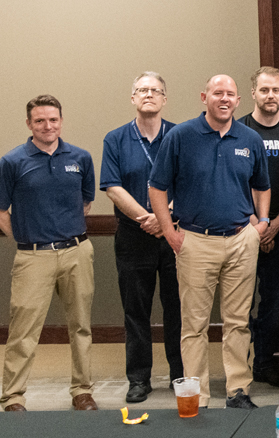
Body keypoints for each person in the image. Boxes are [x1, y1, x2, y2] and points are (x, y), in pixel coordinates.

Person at [148, 75, 269, 409]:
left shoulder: (250, 139)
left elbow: (262, 185)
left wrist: (262, 223)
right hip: (195, 241)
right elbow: (156, 187)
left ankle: (238, 391)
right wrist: (169, 232)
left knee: (238, 322)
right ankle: (197, 396)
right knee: (194, 325)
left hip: (241, 240)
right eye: (218, 93)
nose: (224, 99)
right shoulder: (180, 136)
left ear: (238, 100)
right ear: (204, 97)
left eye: (230, 94)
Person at [1, 95, 97, 412]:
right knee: (23, 331)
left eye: (53, 119)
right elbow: (1, 211)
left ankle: (82, 391)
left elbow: (85, 203)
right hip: (33, 257)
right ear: (29, 124)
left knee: (81, 326)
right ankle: (13, 397)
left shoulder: (80, 158)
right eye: (40, 120)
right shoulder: (12, 162)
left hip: (77, 252)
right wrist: (26, 238)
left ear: (61, 121)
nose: (47, 126)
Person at [100, 72, 183, 403]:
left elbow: (190, 180)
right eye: (142, 90)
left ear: (164, 98)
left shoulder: (180, 136)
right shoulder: (115, 139)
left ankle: (180, 374)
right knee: (135, 310)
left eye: (155, 90)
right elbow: (112, 186)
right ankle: (138, 378)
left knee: (178, 308)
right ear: (133, 98)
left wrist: (164, 219)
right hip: (133, 236)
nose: (149, 94)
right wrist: (147, 219)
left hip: (174, 234)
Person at [238, 67, 279, 389]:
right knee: (238, 306)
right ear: (253, 93)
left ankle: (265, 364)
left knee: (274, 304)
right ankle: (238, 371)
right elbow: (234, 182)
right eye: (264, 90)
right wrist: (257, 226)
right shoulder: (238, 130)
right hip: (242, 230)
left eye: (275, 90)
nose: (270, 96)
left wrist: (275, 225)